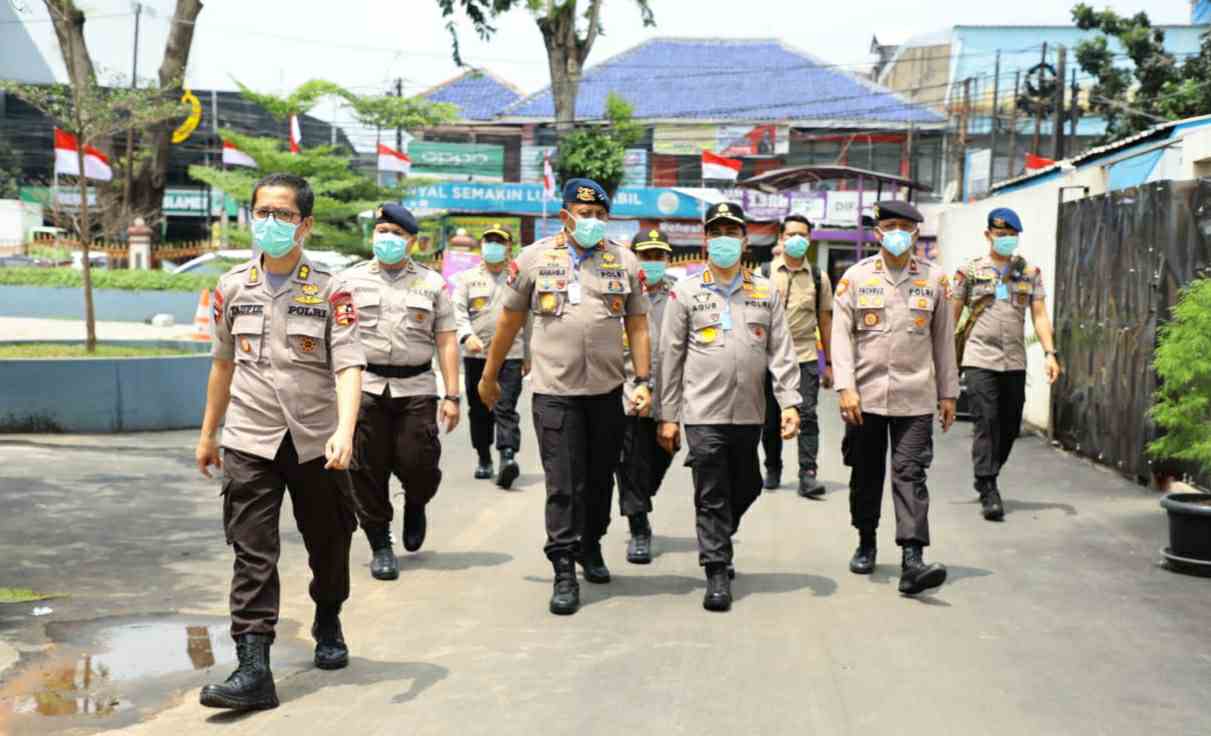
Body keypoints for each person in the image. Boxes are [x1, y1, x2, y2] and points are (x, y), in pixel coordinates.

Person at [196, 173, 365, 710]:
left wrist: (345, 429)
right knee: (252, 551)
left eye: (283, 215)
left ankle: (329, 615)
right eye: (262, 212)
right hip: (250, 438)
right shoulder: (230, 286)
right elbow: (222, 365)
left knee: (329, 542)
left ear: (305, 224)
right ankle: (253, 667)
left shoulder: (333, 288)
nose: (270, 223)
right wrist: (209, 436)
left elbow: (350, 365)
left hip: (316, 440)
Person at [478, 178, 652, 616]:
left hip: (607, 393)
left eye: (599, 215)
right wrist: (490, 374)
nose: (591, 221)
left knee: (597, 481)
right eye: (583, 213)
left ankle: (590, 544)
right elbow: (509, 320)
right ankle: (562, 568)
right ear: (565, 215)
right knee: (563, 485)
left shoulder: (624, 261)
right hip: (555, 392)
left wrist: (644, 380)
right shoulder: (534, 259)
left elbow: (638, 326)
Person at [659, 202, 801, 612]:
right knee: (712, 490)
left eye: (731, 231)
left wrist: (790, 402)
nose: (724, 239)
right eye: (716, 231)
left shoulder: (764, 290)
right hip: (702, 412)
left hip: (749, 411)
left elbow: (782, 352)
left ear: (744, 240)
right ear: (706, 239)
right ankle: (716, 568)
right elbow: (670, 357)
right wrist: (668, 417)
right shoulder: (685, 291)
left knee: (749, 484)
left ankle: (716, 535)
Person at [831, 200, 959, 597]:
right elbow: (840, 336)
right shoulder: (854, 278)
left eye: (906, 225)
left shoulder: (936, 280)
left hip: (916, 397)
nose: (899, 232)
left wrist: (949, 393)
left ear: (917, 232)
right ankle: (866, 540)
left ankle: (912, 558)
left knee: (910, 474)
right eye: (891, 225)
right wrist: (845, 387)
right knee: (865, 473)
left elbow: (944, 341)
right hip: (865, 398)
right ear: (877, 233)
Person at [334, 204, 460, 582]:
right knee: (365, 471)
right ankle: (380, 544)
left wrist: (453, 396)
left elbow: (447, 341)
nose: (387, 239)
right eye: (382, 231)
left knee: (419, 462)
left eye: (396, 233)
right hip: (365, 386)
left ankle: (416, 503)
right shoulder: (348, 282)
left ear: (411, 241)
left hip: (417, 387)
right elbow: (335, 340)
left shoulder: (431, 283)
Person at [951, 207, 1061, 521]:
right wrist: (944, 358)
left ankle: (987, 470)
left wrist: (1050, 353)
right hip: (979, 357)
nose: (1006, 240)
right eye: (1000, 235)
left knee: (1010, 424)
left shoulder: (1029, 273)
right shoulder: (970, 271)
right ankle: (988, 486)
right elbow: (952, 313)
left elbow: (1039, 315)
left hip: (1014, 360)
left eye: (1011, 236)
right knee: (985, 420)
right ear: (988, 235)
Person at [761, 214, 834, 497]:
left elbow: (826, 321)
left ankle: (808, 475)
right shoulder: (764, 272)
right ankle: (772, 467)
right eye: (791, 234)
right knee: (770, 418)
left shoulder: (819, 277)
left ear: (810, 239)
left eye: (803, 234)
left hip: (804, 357)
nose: (797, 239)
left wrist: (829, 364)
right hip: (769, 359)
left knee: (808, 415)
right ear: (781, 238)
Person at [616, 228, 677, 564]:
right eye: (646, 255)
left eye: (658, 256)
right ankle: (639, 527)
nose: (652, 262)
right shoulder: (620, 293)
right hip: (629, 392)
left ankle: (639, 496)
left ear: (667, 259)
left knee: (660, 458)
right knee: (630, 464)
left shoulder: (680, 296)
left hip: (670, 395)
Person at [453, 224, 530, 489]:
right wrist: (466, 336)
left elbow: (528, 319)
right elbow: (458, 312)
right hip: (477, 354)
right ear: (482, 245)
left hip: (512, 354)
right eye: (489, 240)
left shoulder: (518, 277)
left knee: (505, 406)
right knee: (479, 409)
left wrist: (529, 354)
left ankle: (507, 457)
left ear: (509, 247)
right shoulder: (466, 279)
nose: (493, 245)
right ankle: (484, 457)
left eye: (499, 241)